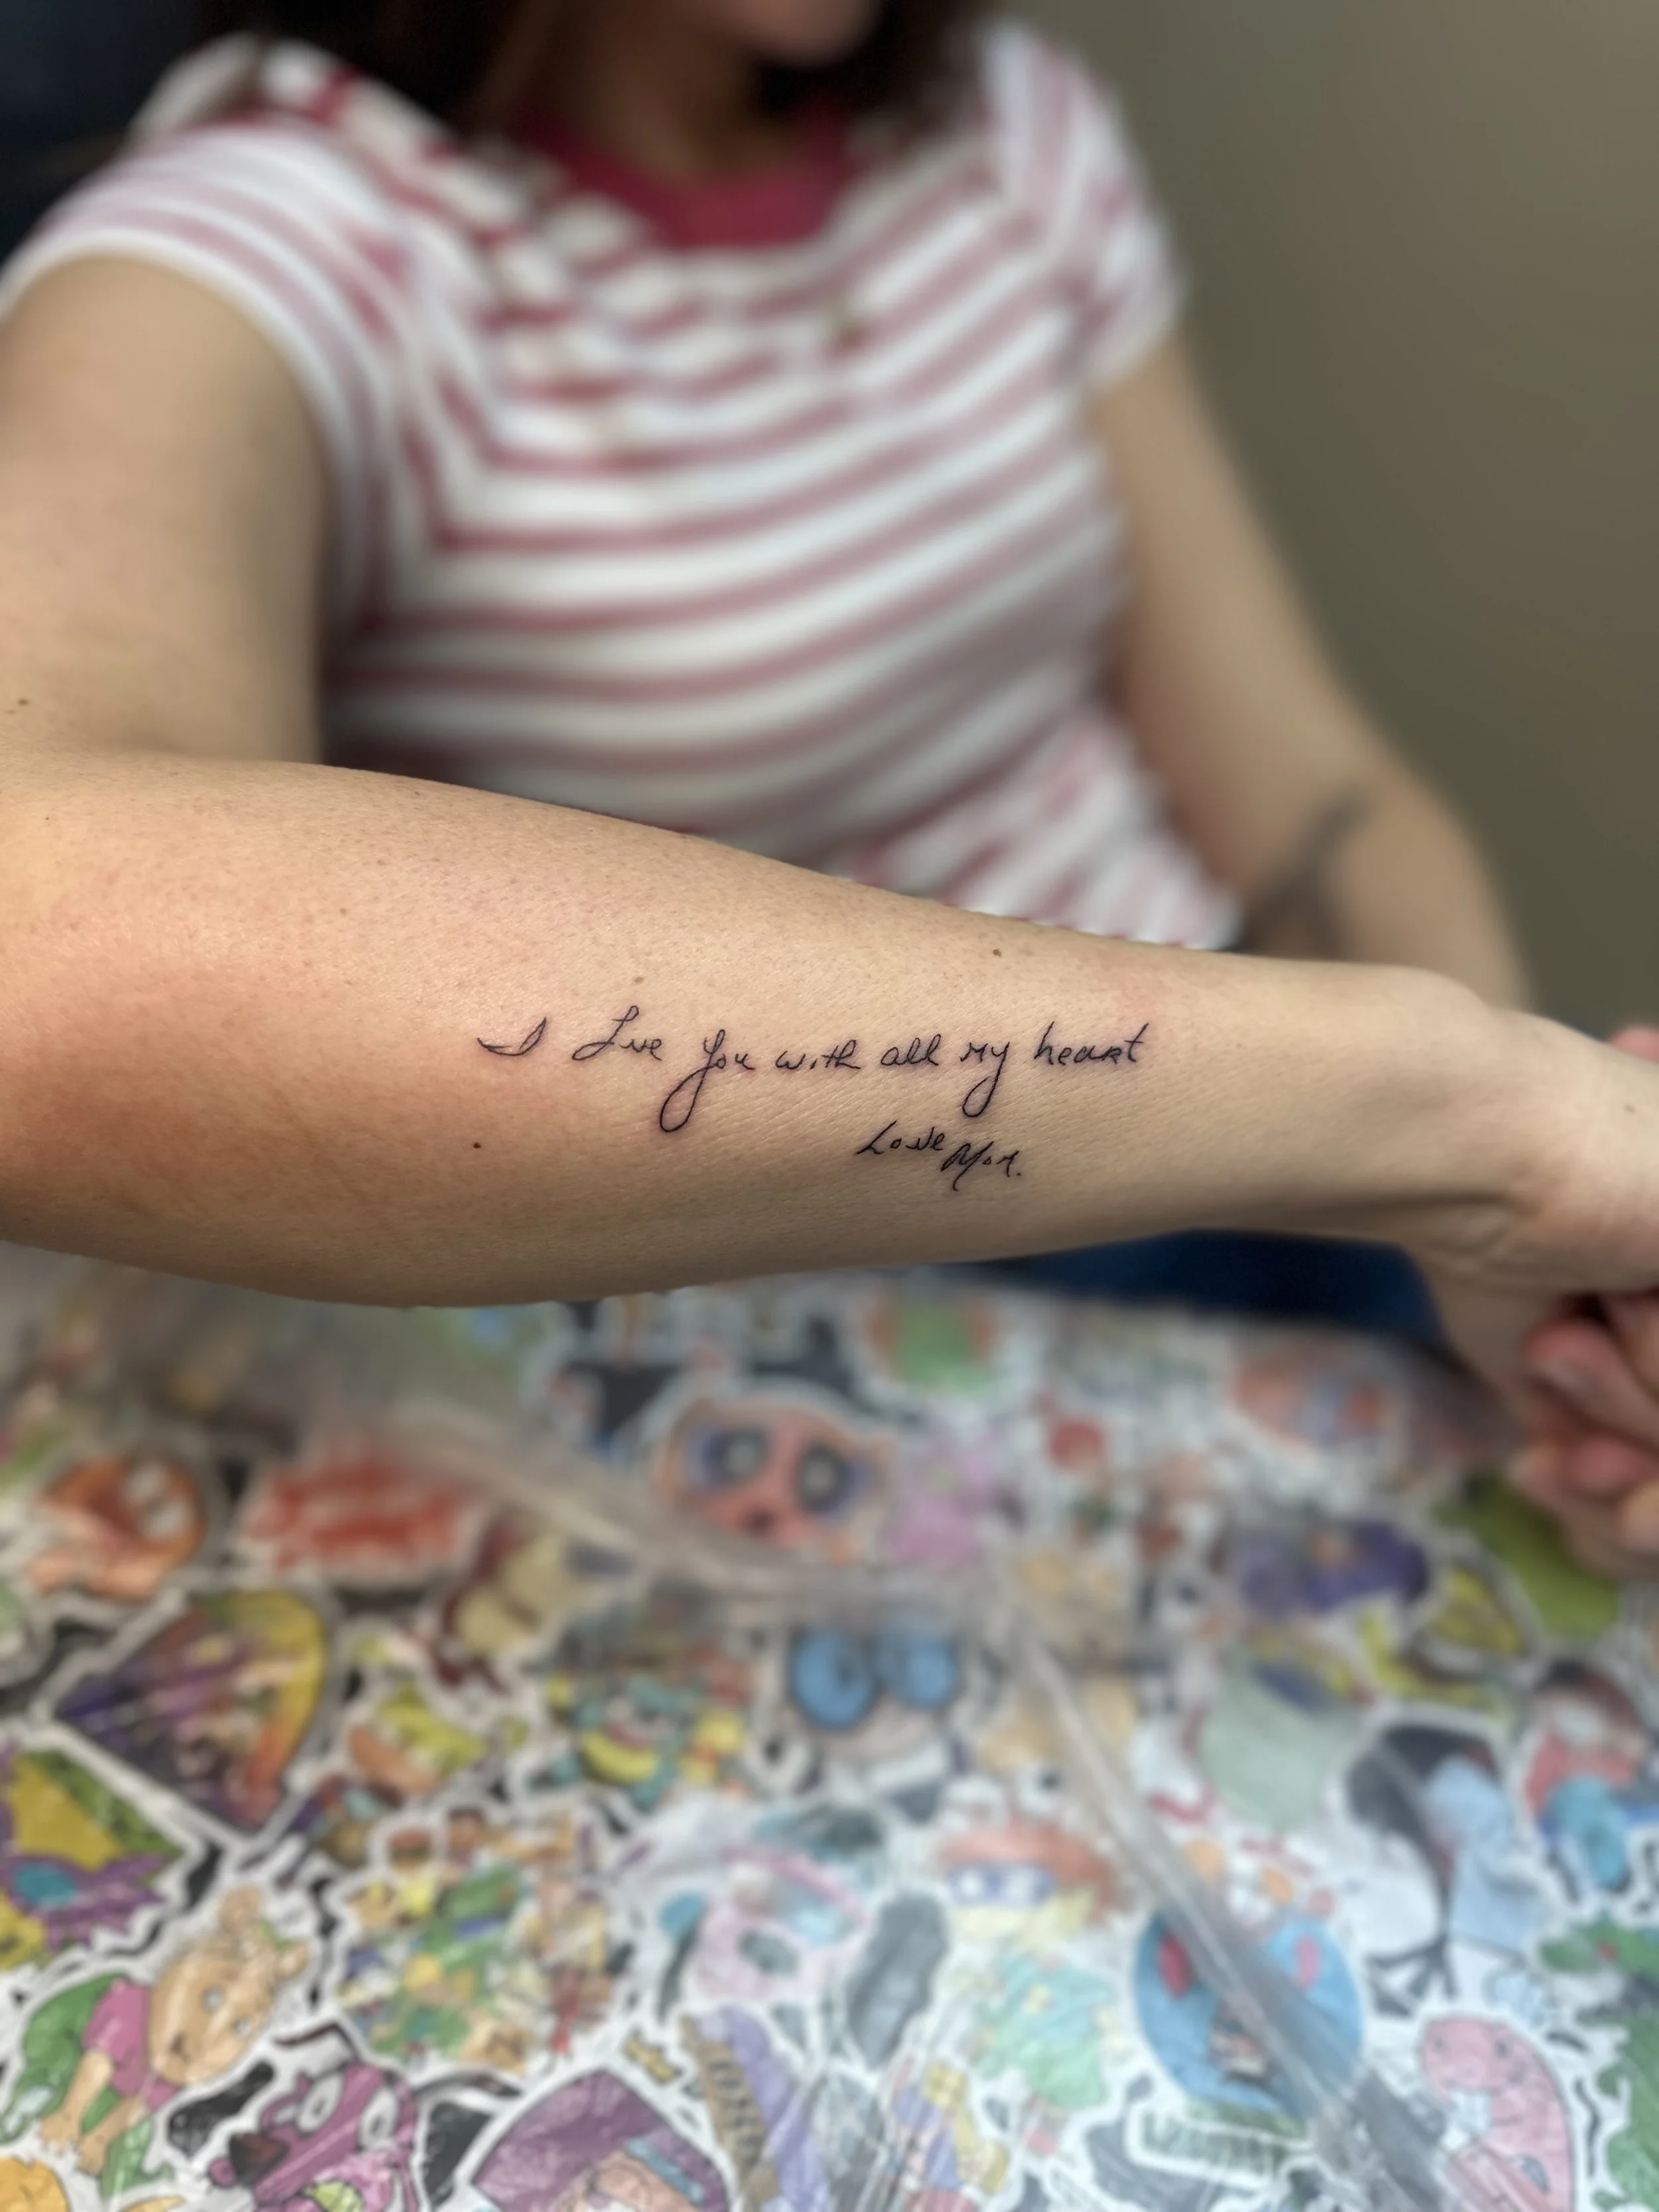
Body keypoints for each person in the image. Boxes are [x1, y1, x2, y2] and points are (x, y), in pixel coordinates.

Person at [0, 0, 1654, 1564]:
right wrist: (1467, 1111)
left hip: (1290, 1156)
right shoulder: (272, 245)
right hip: (774, 1285)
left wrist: (1521, 1236)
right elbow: (46, 930)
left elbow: (1302, 781)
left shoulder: (1003, 137)